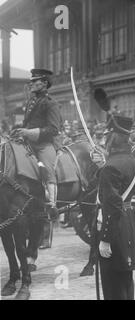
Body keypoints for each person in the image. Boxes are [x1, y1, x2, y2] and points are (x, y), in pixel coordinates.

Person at [97, 115, 135, 300]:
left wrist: (105, 238)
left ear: (112, 137)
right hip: (127, 222)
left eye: (107, 136)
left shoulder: (110, 167)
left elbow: (112, 207)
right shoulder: (131, 161)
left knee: (112, 284)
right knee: (125, 280)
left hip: (113, 227)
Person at [13, 68, 61, 217]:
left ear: (44, 83)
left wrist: (29, 132)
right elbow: (28, 123)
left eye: (35, 81)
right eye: (32, 80)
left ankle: (52, 204)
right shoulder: (32, 101)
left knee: (47, 169)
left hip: (43, 145)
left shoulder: (51, 103)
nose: (31, 83)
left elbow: (54, 129)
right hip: (27, 143)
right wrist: (19, 130)